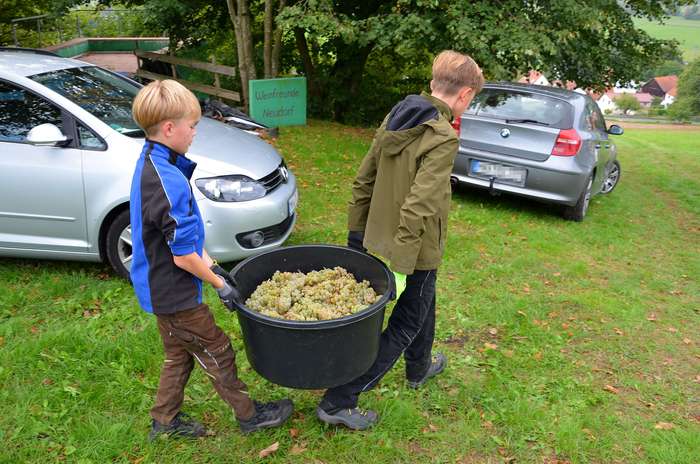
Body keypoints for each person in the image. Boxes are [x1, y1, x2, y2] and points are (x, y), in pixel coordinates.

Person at [317, 50, 484, 430]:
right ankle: (340, 399)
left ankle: (419, 368)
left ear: (432, 85)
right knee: (407, 321)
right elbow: (418, 206)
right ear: (466, 95)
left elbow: (363, 180)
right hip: (413, 250)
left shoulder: (397, 117)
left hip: (376, 237)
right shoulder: (442, 137)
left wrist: (356, 238)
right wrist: (403, 266)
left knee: (425, 302)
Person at [129, 79, 293, 440]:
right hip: (173, 293)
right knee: (216, 348)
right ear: (169, 128)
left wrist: (214, 265)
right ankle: (250, 416)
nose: (194, 134)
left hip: (160, 289)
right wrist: (220, 285)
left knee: (179, 353)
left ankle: (165, 421)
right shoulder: (166, 180)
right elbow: (184, 254)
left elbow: (184, 238)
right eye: (192, 126)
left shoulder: (155, 161)